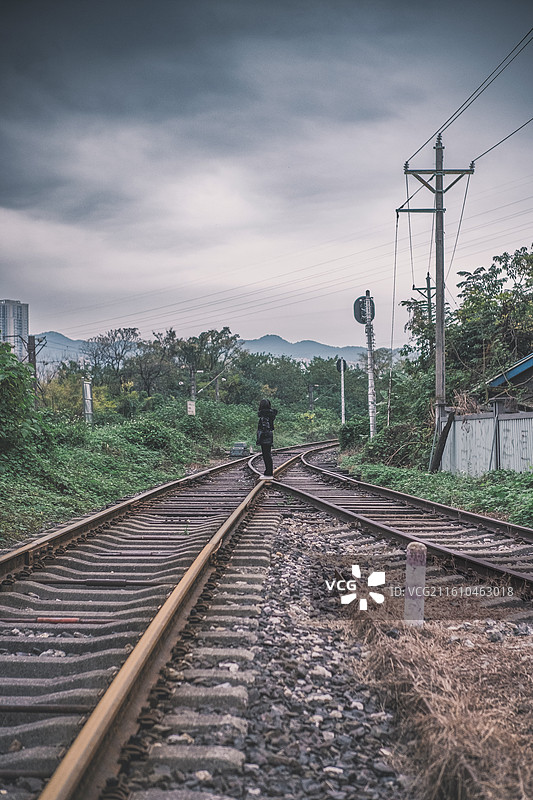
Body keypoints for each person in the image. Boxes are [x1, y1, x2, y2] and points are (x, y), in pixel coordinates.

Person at [256, 399, 278, 477]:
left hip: (265, 435)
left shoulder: (264, 415)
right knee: (267, 454)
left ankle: (268, 471)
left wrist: (262, 434)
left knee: (266, 454)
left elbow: (265, 425)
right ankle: (268, 470)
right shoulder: (270, 414)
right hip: (269, 434)